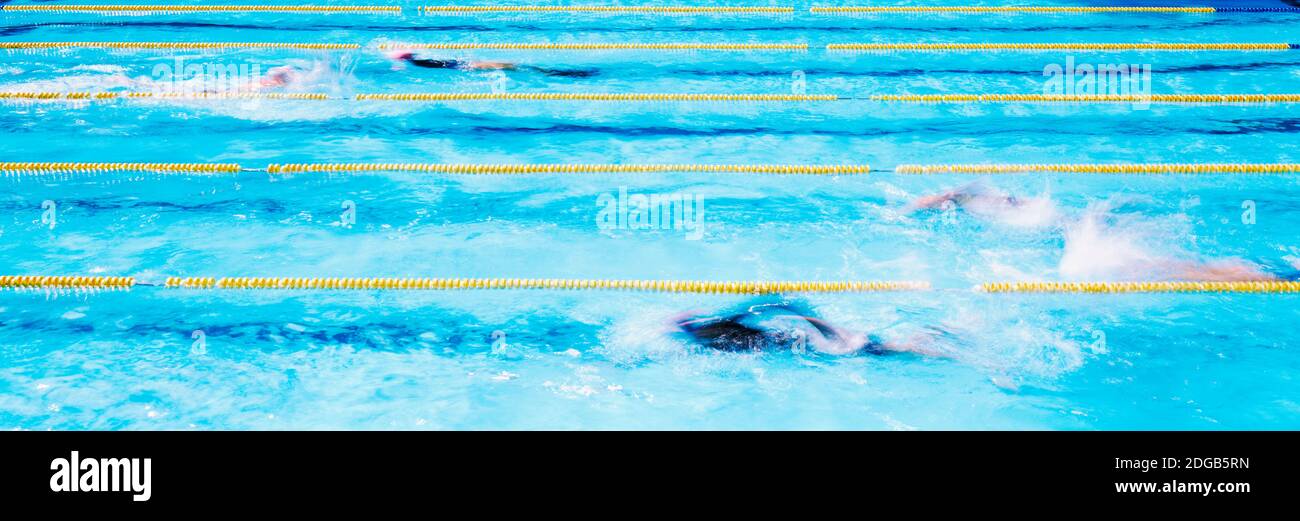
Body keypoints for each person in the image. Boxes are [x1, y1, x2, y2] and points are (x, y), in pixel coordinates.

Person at [669, 296, 948, 357]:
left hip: (804, 341)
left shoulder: (710, 335)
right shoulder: (712, 332)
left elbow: (771, 302)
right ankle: (931, 339)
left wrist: (830, 328)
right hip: (797, 341)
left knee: (868, 350)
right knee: (874, 350)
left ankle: (933, 340)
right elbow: (765, 304)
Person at [386, 50, 598, 77]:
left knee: (530, 69)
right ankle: (568, 74)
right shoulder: (424, 63)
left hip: (475, 65)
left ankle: (567, 74)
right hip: (477, 66)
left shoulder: (426, 63)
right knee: (530, 69)